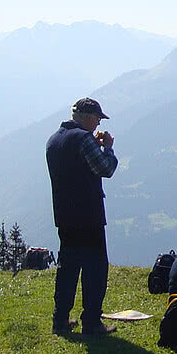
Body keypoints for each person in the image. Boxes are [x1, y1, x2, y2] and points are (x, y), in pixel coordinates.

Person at [46, 97, 119, 335]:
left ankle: (60, 320)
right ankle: (92, 322)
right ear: (87, 117)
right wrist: (107, 147)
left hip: (65, 215)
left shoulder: (54, 139)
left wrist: (94, 146)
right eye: (97, 118)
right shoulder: (83, 138)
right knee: (95, 269)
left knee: (67, 268)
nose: (98, 124)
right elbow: (105, 168)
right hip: (88, 216)